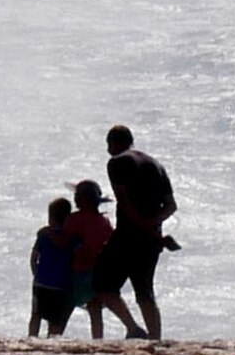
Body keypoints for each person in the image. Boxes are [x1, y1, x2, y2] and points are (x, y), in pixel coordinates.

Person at [103, 126, 179, 340]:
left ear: (114, 143)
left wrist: (143, 225)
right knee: (145, 291)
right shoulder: (156, 164)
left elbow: (124, 201)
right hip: (151, 239)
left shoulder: (117, 162)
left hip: (127, 236)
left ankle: (134, 328)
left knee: (103, 285)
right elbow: (171, 206)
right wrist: (154, 225)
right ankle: (155, 339)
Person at [65, 179, 123, 338]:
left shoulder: (74, 219)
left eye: (77, 196)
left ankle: (55, 332)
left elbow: (65, 241)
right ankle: (98, 338)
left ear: (82, 200)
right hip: (98, 270)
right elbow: (111, 241)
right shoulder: (103, 220)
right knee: (95, 308)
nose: (75, 199)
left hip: (79, 271)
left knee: (69, 304)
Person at [26, 196, 80, 337]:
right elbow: (78, 258)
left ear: (51, 217)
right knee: (55, 321)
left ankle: (31, 338)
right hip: (60, 285)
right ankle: (51, 341)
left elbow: (33, 259)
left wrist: (36, 274)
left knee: (36, 315)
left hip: (41, 283)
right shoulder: (72, 238)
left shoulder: (43, 236)